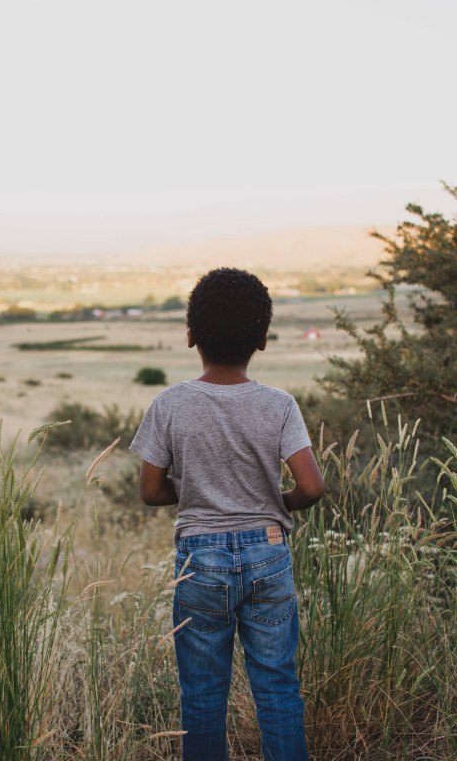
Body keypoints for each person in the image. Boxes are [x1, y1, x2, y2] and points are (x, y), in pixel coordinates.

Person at [129, 267, 324, 761]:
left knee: (202, 692)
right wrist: (276, 502)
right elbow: (313, 485)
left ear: (190, 335)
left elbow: (150, 491)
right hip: (268, 552)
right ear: (262, 340)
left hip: (201, 561)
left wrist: (197, 488)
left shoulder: (169, 404)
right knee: (278, 685)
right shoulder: (279, 405)